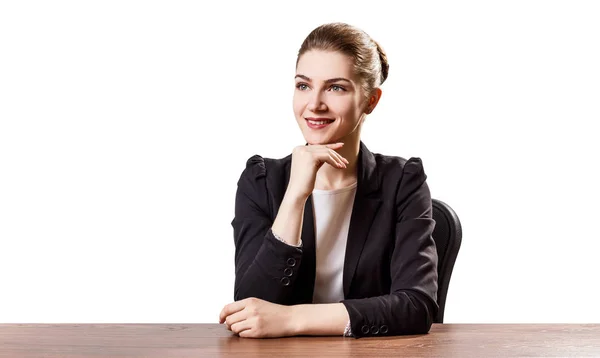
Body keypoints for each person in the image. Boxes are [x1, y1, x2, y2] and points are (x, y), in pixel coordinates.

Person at [219, 22, 438, 339]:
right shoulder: (261, 181)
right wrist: (296, 195)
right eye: (303, 86)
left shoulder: (402, 182)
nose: (314, 104)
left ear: (370, 101)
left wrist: (293, 319)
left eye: (336, 87)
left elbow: (415, 306)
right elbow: (250, 309)